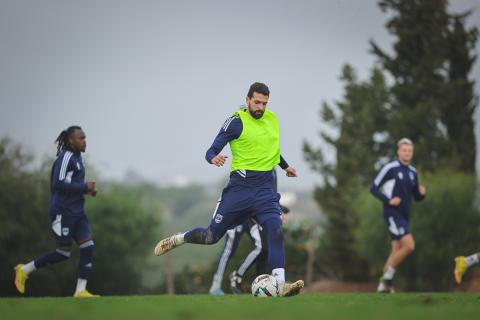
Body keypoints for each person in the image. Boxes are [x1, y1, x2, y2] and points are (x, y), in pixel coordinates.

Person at [154, 82, 304, 297]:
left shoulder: (272, 119)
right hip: (239, 191)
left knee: (276, 232)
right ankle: (179, 238)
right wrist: (212, 157)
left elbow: (270, 150)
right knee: (210, 236)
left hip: (264, 192)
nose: (261, 107)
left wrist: (285, 166)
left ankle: (280, 284)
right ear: (247, 100)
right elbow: (213, 148)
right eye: (257, 102)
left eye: (264, 103)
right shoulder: (236, 121)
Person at [14, 126, 99, 298]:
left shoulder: (78, 158)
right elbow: (57, 184)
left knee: (88, 247)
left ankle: (80, 291)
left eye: (85, 138)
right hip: (63, 211)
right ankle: (24, 270)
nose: (85, 141)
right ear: (70, 140)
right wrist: (83, 187)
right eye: (81, 138)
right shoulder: (65, 157)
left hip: (77, 211)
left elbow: (70, 185)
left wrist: (86, 191)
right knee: (63, 253)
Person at [370, 138, 426, 293]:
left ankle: (383, 286)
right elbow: (373, 188)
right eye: (404, 150)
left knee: (396, 249)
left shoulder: (413, 172)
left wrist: (422, 194)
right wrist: (388, 200)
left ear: (412, 153)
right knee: (409, 246)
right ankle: (387, 280)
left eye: (410, 151)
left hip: (405, 214)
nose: (407, 153)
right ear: (398, 152)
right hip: (392, 214)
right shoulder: (391, 168)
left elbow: (416, 196)